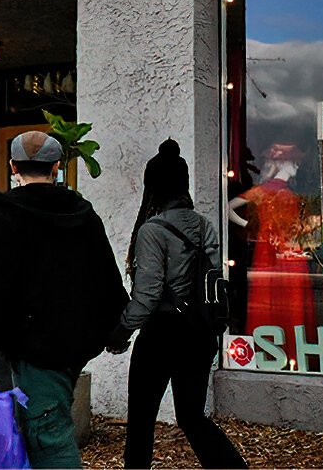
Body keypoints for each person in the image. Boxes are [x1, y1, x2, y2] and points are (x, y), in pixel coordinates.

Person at [0, 130, 128, 468]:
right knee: (50, 423)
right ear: (56, 168)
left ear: (13, 166)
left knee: (48, 437)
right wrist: (115, 329)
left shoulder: (2, 215)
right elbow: (105, 273)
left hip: (34, 345)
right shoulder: (83, 213)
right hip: (77, 344)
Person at [107, 140, 248, 469]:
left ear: (152, 186)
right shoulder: (204, 226)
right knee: (192, 417)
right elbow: (213, 279)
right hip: (199, 332)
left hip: (161, 334)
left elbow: (147, 296)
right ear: (183, 184)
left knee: (141, 422)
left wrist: (120, 331)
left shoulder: (152, 231)